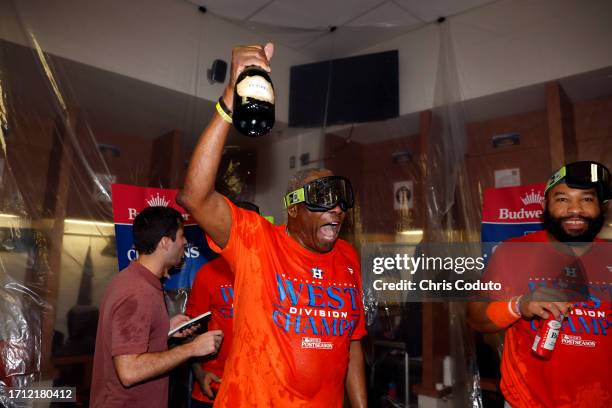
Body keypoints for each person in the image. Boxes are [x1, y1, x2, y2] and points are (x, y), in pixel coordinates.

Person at [178, 43, 367, 408]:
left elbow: (352, 345)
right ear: (293, 209)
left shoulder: (347, 257)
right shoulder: (257, 242)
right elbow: (195, 197)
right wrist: (229, 102)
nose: (338, 210)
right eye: (324, 198)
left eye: (342, 201)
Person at [467, 161, 612, 408]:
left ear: (602, 208)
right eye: (563, 199)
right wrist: (519, 305)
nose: (574, 209)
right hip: (529, 402)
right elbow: (475, 317)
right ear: (545, 206)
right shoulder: (513, 252)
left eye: (586, 199)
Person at [90, 206, 223, 408]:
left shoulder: (138, 281)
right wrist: (192, 348)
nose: (185, 242)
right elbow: (129, 371)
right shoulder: (137, 291)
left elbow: (130, 339)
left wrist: (165, 329)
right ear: (164, 242)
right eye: (181, 236)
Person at [186, 201, 260, 408]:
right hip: (214, 386)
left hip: (259, 390)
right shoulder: (208, 274)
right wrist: (199, 372)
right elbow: (191, 330)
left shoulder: (271, 273)